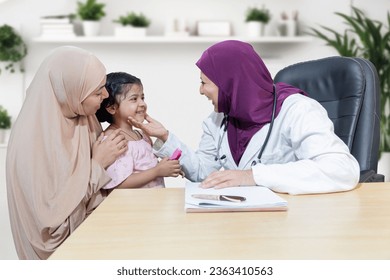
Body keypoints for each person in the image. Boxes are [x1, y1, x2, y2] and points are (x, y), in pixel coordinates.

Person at [130, 40, 360, 195]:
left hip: (296, 219)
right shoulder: (218, 120)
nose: (201, 91)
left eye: (204, 83)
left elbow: (342, 170)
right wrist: (165, 137)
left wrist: (253, 176)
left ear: (231, 84)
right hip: (245, 220)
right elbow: (203, 173)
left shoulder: (298, 110)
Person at [6, 46, 128, 260]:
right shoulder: (31, 140)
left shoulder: (84, 118)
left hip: (101, 244)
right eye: (97, 91)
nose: (106, 95)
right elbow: (51, 223)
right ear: (70, 90)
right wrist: (97, 165)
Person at [95, 72, 182, 189]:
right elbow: (119, 183)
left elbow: (149, 165)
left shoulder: (141, 135)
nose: (142, 103)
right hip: (136, 206)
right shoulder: (113, 141)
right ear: (112, 108)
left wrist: (169, 167)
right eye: (134, 99)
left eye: (142, 97)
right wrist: (157, 171)